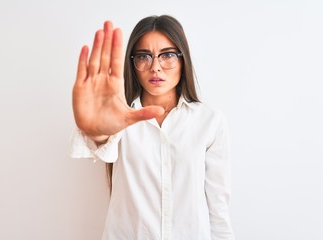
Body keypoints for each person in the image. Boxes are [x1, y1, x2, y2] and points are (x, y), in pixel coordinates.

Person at [70, 15, 235, 240]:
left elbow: (218, 210)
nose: (155, 67)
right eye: (143, 57)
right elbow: (101, 143)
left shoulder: (210, 122)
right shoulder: (120, 118)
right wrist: (95, 131)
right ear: (133, 64)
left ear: (183, 59)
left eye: (167, 55)